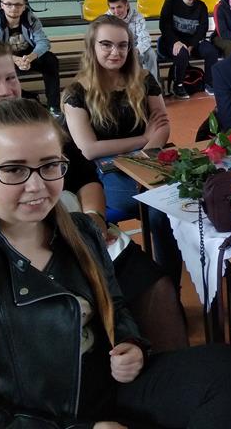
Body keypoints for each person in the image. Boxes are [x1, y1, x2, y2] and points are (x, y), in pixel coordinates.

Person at [0, 96, 231, 427]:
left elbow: (115, 306)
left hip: (105, 387)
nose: (36, 186)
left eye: (49, 165)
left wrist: (131, 343)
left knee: (228, 368)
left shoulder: (80, 230)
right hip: (40, 416)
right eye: (13, 170)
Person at [0, 32, 187, 354]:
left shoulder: (35, 120)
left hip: (72, 235)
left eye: (10, 78)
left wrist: (93, 218)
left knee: (155, 285)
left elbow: (84, 175)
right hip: (6, 263)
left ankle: (161, 371)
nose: (6, 91)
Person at [62, 15, 183, 284]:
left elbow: (161, 126)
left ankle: (169, 287)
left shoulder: (145, 79)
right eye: (106, 44)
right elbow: (89, 149)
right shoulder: (76, 93)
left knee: (173, 205)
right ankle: (148, 284)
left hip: (149, 158)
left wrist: (144, 153)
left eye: (122, 45)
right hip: (104, 171)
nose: (115, 52)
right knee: (156, 209)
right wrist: (142, 140)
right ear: (92, 47)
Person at [0, 0, 60, 113]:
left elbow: (43, 42)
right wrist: (15, 59)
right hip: (6, 58)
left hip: (28, 56)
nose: (14, 8)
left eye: (18, 4)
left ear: (24, 6)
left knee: (50, 60)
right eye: (9, 4)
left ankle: (53, 106)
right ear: (2, 5)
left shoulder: (31, 19)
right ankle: (27, 97)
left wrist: (30, 57)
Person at [158, 0, 219, 99]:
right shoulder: (171, 1)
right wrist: (175, 42)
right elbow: (164, 25)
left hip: (192, 41)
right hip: (172, 40)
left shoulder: (201, 6)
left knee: (211, 51)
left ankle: (209, 83)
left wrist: (192, 45)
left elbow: (202, 30)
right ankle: (178, 85)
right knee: (182, 53)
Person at [106, 0, 157, 79]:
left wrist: (137, 50)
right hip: (116, 50)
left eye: (119, 7)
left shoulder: (138, 17)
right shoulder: (106, 19)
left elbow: (145, 38)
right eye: (112, 8)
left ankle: (153, 82)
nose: (116, 12)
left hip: (136, 49)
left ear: (127, 5)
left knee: (151, 54)